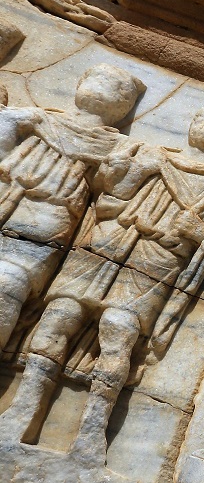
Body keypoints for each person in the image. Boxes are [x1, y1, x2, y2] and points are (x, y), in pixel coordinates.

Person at [0, 104, 204, 462]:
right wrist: (130, 173)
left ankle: (91, 432)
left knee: (118, 333)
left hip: (155, 259)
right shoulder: (150, 154)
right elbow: (108, 197)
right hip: (105, 240)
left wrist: (200, 233)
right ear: (191, 123)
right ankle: (23, 410)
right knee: (58, 317)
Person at [0, 64, 144, 351]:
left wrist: (116, 171)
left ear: (126, 108)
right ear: (80, 83)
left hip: (48, 217)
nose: (105, 88)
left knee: (8, 284)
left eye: (120, 90)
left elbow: (116, 192)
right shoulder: (38, 118)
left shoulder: (118, 145)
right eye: (97, 78)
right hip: (7, 193)